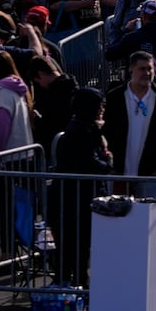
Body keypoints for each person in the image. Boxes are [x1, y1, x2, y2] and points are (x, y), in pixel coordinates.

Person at [49, 87, 112, 287]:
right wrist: (108, 161)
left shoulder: (83, 128)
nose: (102, 109)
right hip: (75, 198)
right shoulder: (82, 131)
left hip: (74, 196)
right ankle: (75, 283)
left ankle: (73, 281)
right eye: (99, 106)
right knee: (76, 244)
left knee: (75, 245)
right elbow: (92, 163)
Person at [103, 51, 156, 185]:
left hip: (150, 175)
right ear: (131, 69)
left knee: (153, 206)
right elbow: (106, 130)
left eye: (150, 69)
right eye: (142, 69)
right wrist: (110, 165)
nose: (147, 73)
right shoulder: (115, 97)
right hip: (118, 174)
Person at [0, 49, 34, 152]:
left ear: (1, 70)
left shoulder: (1, 92)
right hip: (25, 152)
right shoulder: (17, 89)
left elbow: (1, 129)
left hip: (10, 157)